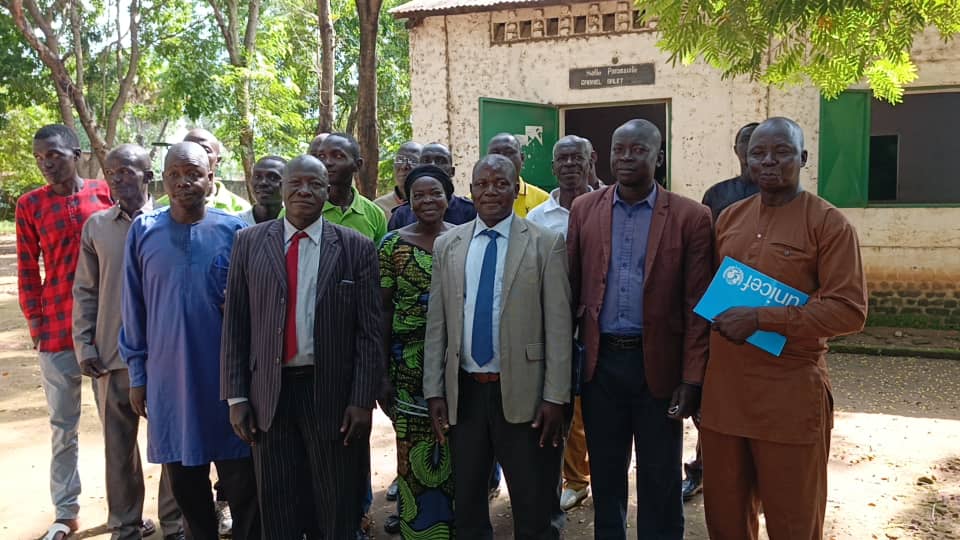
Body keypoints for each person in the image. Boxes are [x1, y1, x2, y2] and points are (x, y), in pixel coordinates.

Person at [701, 117, 868, 540]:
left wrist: (761, 318)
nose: (768, 162)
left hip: (789, 399)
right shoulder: (730, 218)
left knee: (793, 521)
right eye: (758, 153)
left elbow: (849, 311)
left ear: (804, 158)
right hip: (724, 396)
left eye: (781, 152)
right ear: (745, 159)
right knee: (725, 519)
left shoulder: (828, 224)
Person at [221, 154, 382, 539]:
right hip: (268, 395)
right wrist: (236, 397)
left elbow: (370, 332)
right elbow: (235, 324)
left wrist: (362, 399)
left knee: (335, 502)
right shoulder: (248, 243)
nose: (304, 191)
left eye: (315, 184)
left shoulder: (355, 247)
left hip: (330, 394)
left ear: (328, 192)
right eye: (296, 183)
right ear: (283, 188)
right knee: (278, 502)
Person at [567, 119, 713, 539]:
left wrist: (691, 377)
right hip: (601, 366)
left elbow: (697, 307)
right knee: (607, 475)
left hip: (660, 370)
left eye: (637, 150)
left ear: (658, 157)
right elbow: (571, 289)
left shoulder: (691, 217)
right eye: (619, 149)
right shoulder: (585, 209)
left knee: (660, 476)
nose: (626, 158)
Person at [424, 154, 572, 539]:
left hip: (525, 395)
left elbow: (558, 326)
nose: (491, 191)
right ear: (470, 190)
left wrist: (556, 397)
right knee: (469, 502)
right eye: (483, 184)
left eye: (501, 183)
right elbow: (437, 324)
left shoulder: (545, 243)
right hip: (466, 393)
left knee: (533, 503)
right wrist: (434, 389)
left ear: (515, 188)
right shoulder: (448, 245)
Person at [119, 141, 260, 540]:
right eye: (175, 174)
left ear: (210, 179)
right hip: (169, 379)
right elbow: (134, 307)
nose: (184, 182)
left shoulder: (235, 231)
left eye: (193, 173)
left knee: (242, 481)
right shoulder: (144, 232)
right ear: (163, 180)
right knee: (185, 481)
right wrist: (137, 374)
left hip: (226, 382)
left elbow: (253, 310)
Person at [72, 144, 184, 540]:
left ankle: (175, 522)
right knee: (118, 450)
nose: (117, 178)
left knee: (171, 445)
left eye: (127, 171)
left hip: (167, 359)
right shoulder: (97, 227)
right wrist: (84, 346)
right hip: (110, 358)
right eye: (111, 172)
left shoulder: (172, 221)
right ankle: (125, 524)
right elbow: (85, 290)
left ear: (148, 177)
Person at [16, 124, 113, 540]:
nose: (46, 163)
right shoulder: (29, 206)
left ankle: (124, 511)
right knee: (62, 426)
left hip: (107, 332)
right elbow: (26, 270)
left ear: (75, 152)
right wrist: (37, 327)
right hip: (56, 331)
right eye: (39, 158)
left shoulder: (103, 193)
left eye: (53, 155)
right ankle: (66, 511)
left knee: (118, 426)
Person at [682, 121, 759, 502]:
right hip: (720, 311)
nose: (756, 155)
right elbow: (703, 253)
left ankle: (757, 471)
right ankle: (701, 467)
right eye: (748, 146)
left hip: (770, 318)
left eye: (763, 147)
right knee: (710, 397)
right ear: (737, 150)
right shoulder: (719, 195)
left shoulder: (790, 197)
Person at [379, 165, 457, 539]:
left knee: (461, 453)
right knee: (412, 454)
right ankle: (419, 529)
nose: (428, 201)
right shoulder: (392, 245)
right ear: (408, 202)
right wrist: (380, 375)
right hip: (407, 368)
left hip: (458, 366)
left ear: (449, 198)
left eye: (435, 193)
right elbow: (380, 311)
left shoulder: (464, 240)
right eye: (419, 195)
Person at [527, 135, 593, 513]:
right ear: (553, 167)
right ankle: (573, 478)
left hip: (597, 323)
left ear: (591, 160)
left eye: (576, 157)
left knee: (592, 405)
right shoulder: (538, 219)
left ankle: (586, 476)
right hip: (555, 325)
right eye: (562, 159)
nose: (569, 165)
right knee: (562, 400)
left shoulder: (607, 205)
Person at [313, 132, 388, 244]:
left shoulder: (374, 215)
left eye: (338, 156)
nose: (327, 162)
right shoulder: (299, 209)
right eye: (322, 156)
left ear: (357, 165)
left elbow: (378, 259)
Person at [156, 128, 252, 214]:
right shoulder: (159, 207)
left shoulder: (241, 210)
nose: (196, 153)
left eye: (205, 149)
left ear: (218, 160)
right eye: (189, 148)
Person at [388, 142, 476, 229]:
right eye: (426, 160)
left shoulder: (470, 211)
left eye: (440, 161)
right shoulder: (401, 215)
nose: (432, 165)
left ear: (452, 171)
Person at [700, 122, 761, 222]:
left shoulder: (780, 193)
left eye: (757, 139)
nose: (752, 144)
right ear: (736, 150)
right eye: (746, 139)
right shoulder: (716, 193)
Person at [486, 133, 550, 217]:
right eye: (495, 153)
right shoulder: (473, 201)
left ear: (522, 158)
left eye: (508, 153)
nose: (502, 159)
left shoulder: (544, 201)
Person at [375, 141, 423, 216]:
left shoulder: (432, 205)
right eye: (399, 160)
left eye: (413, 160)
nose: (404, 166)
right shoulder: (378, 208)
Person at [238, 155, 287, 225]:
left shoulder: (295, 224)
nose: (262, 183)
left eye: (273, 178)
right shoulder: (236, 223)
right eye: (257, 177)